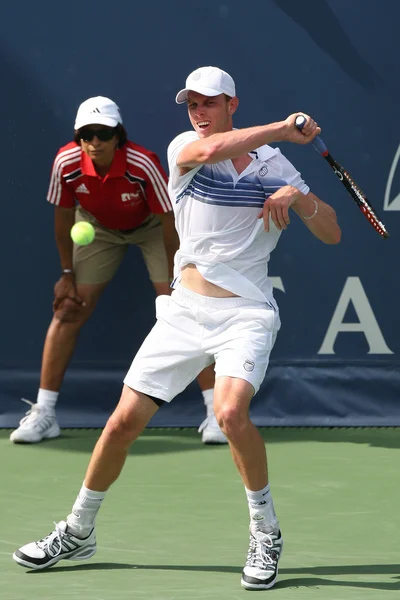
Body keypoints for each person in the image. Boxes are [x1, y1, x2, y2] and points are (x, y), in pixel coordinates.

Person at [13, 68, 341, 590]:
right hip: (184, 311)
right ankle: (77, 529)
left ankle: (266, 531)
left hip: (246, 314)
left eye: (209, 103)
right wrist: (281, 128)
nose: (198, 112)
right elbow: (210, 152)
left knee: (231, 412)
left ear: (232, 103)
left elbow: (331, 234)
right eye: (191, 103)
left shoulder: (275, 166)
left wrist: (298, 199)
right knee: (121, 424)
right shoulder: (186, 146)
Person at [9, 95, 219, 445]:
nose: (94, 143)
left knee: (182, 313)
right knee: (69, 309)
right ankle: (44, 413)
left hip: (153, 228)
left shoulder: (143, 164)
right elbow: (63, 220)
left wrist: (177, 274)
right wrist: (66, 275)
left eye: (103, 134)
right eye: (86, 135)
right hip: (97, 229)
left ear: (117, 135)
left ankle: (215, 414)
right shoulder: (66, 162)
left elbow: (170, 222)